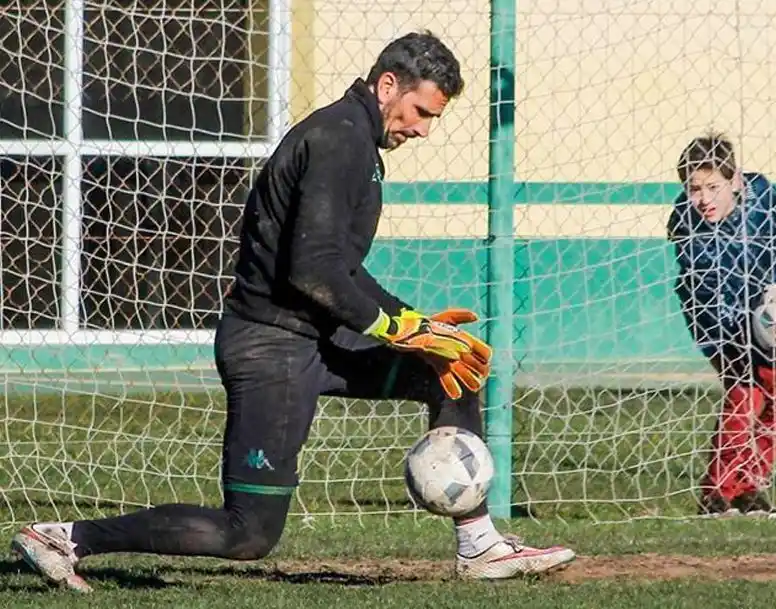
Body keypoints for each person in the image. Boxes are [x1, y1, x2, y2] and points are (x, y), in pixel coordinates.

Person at [12, 31, 575, 593]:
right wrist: (393, 326)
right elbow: (314, 271)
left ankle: (480, 547)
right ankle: (66, 537)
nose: (424, 129)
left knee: (447, 368)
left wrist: (417, 327)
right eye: (421, 111)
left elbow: (343, 269)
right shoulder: (337, 139)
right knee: (248, 534)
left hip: (318, 336)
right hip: (271, 346)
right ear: (387, 86)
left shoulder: (356, 139)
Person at [665, 133, 776, 517]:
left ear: (736, 181)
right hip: (715, 317)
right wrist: (755, 331)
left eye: (713, 187)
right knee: (746, 392)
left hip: (766, 312)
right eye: (693, 189)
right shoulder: (688, 224)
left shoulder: (766, 198)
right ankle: (722, 493)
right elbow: (709, 291)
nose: (703, 199)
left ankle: (740, 487)